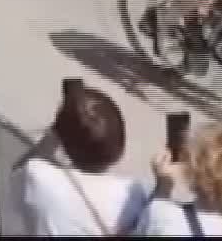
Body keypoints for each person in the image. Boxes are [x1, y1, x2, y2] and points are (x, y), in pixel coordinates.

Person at [14, 80, 151, 235]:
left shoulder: (37, 177)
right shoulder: (137, 194)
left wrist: (57, 131)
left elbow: (19, 171)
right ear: (120, 146)